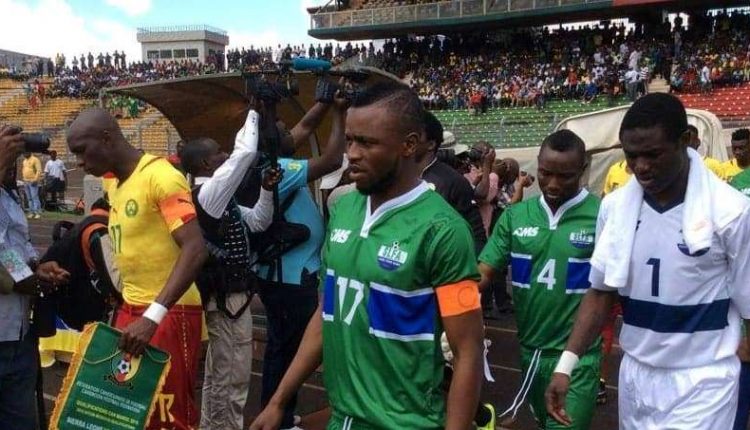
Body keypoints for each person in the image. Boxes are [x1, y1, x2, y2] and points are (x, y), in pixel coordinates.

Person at [251, 82, 484, 430]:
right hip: (342, 419)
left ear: (409, 145)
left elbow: (467, 351)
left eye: (367, 142)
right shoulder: (344, 210)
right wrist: (278, 401)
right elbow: (326, 314)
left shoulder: (443, 230)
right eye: (349, 141)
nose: (353, 154)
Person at [545, 93, 750, 430]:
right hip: (636, 376)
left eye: (653, 154)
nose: (640, 166)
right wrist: (566, 365)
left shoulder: (730, 212)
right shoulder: (614, 208)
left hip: (702, 380)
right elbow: (601, 290)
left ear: (685, 141)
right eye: (631, 156)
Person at [66, 108, 208, 430]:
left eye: (82, 151)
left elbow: (195, 248)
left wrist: (152, 317)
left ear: (106, 138)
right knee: (131, 412)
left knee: (169, 415)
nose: (79, 162)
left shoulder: (161, 176)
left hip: (168, 312)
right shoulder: (115, 185)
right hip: (132, 310)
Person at [479, 130, 601, 429]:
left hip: (577, 358)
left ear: (583, 170)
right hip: (529, 351)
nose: (553, 184)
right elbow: (482, 273)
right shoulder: (516, 216)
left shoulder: (601, 216)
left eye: (565, 176)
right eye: (546, 173)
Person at [246, 93, 349, 430]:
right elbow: (332, 160)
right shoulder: (280, 168)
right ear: (273, 141)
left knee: (282, 346)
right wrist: (339, 114)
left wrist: (326, 99)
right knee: (289, 350)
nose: (293, 132)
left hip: (279, 273)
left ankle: (281, 413)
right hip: (291, 279)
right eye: (282, 131)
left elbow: (304, 126)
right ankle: (277, 417)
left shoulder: (267, 162)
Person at [180, 110, 280, 430]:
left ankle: (214, 425)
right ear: (205, 164)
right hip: (227, 300)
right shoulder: (209, 194)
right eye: (218, 153)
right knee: (231, 375)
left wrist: (266, 190)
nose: (225, 155)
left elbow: (259, 221)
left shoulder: (221, 201)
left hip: (235, 297)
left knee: (224, 373)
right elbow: (245, 153)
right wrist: (254, 111)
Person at [0, 125, 70, 429]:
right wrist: (28, 277)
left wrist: (37, 266)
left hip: (17, 335)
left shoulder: (8, 197)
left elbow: (17, 246)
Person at [21, 152, 42, 218]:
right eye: (23, 153)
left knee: (34, 197)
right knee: (29, 198)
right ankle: (31, 212)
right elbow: (23, 170)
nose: (24, 154)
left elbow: (38, 171)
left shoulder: (35, 159)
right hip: (26, 181)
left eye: (25, 153)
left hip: (33, 181)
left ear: (29, 152)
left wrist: (35, 180)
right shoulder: (24, 161)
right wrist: (23, 179)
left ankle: (37, 212)